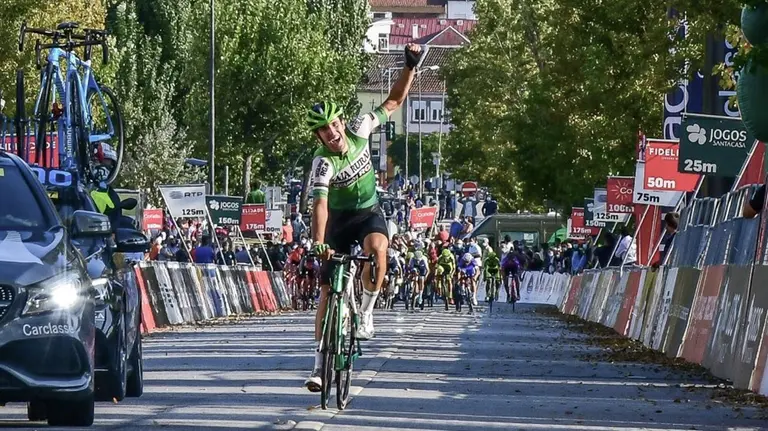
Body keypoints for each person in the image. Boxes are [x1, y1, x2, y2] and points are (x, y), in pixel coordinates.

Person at [304, 43, 423, 391]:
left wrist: (410, 66)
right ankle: (317, 365)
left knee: (377, 250)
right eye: (324, 130)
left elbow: (394, 102)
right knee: (326, 290)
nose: (332, 133)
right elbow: (320, 206)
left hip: (368, 212)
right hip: (337, 221)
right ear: (319, 136)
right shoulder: (323, 163)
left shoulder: (360, 127)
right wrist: (318, 243)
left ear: (342, 121)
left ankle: (367, 313)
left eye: (334, 124)